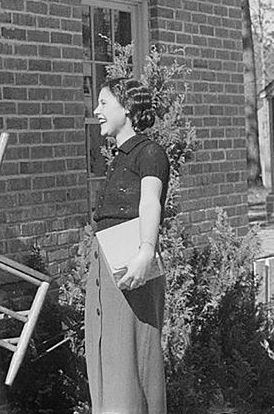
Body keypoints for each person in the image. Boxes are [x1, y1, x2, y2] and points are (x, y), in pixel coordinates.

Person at [86, 77, 170, 414]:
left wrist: (146, 251)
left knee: (130, 361)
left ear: (127, 108)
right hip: (106, 264)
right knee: (105, 356)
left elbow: (151, 203)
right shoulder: (120, 157)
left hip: (130, 265)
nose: (97, 111)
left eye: (104, 103)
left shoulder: (149, 152)